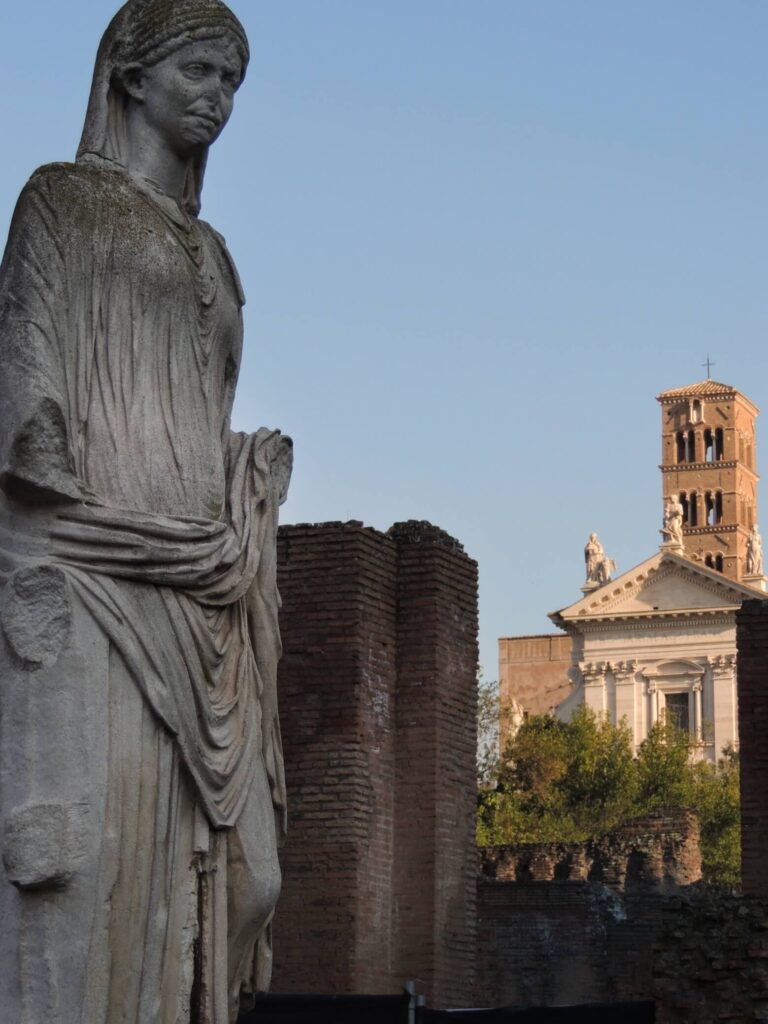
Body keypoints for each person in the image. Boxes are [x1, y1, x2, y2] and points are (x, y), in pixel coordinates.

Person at [0, 2, 291, 1021]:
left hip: (208, 589)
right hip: (90, 571)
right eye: (201, 71)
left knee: (249, 883)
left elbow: (204, 412)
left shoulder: (217, 261)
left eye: (231, 83)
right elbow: (25, 397)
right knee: (87, 878)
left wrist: (244, 480)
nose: (216, 98)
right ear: (128, 71)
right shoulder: (62, 205)